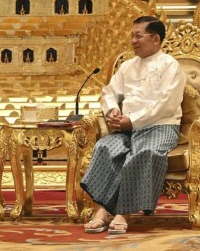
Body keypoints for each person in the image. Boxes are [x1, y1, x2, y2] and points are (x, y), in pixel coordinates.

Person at [80, 16, 186, 235]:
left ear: (155, 38)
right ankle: (100, 211)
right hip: (126, 127)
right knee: (105, 148)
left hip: (161, 127)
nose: (133, 41)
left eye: (139, 36)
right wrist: (112, 112)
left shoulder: (170, 65)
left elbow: (167, 104)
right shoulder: (128, 66)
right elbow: (108, 93)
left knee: (143, 152)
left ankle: (122, 213)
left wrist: (134, 120)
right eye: (132, 36)